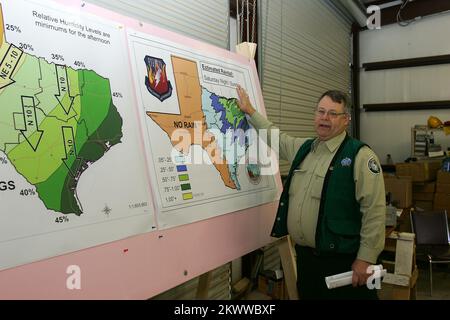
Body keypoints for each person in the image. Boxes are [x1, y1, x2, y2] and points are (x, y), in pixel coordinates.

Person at [236, 86, 386, 300]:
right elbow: (276, 137)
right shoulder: (305, 149)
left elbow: (375, 211)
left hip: (343, 264)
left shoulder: (360, 156)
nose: (325, 118)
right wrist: (250, 111)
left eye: (333, 114)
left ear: (346, 120)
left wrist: (366, 259)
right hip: (307, 263)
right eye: (321, 111)